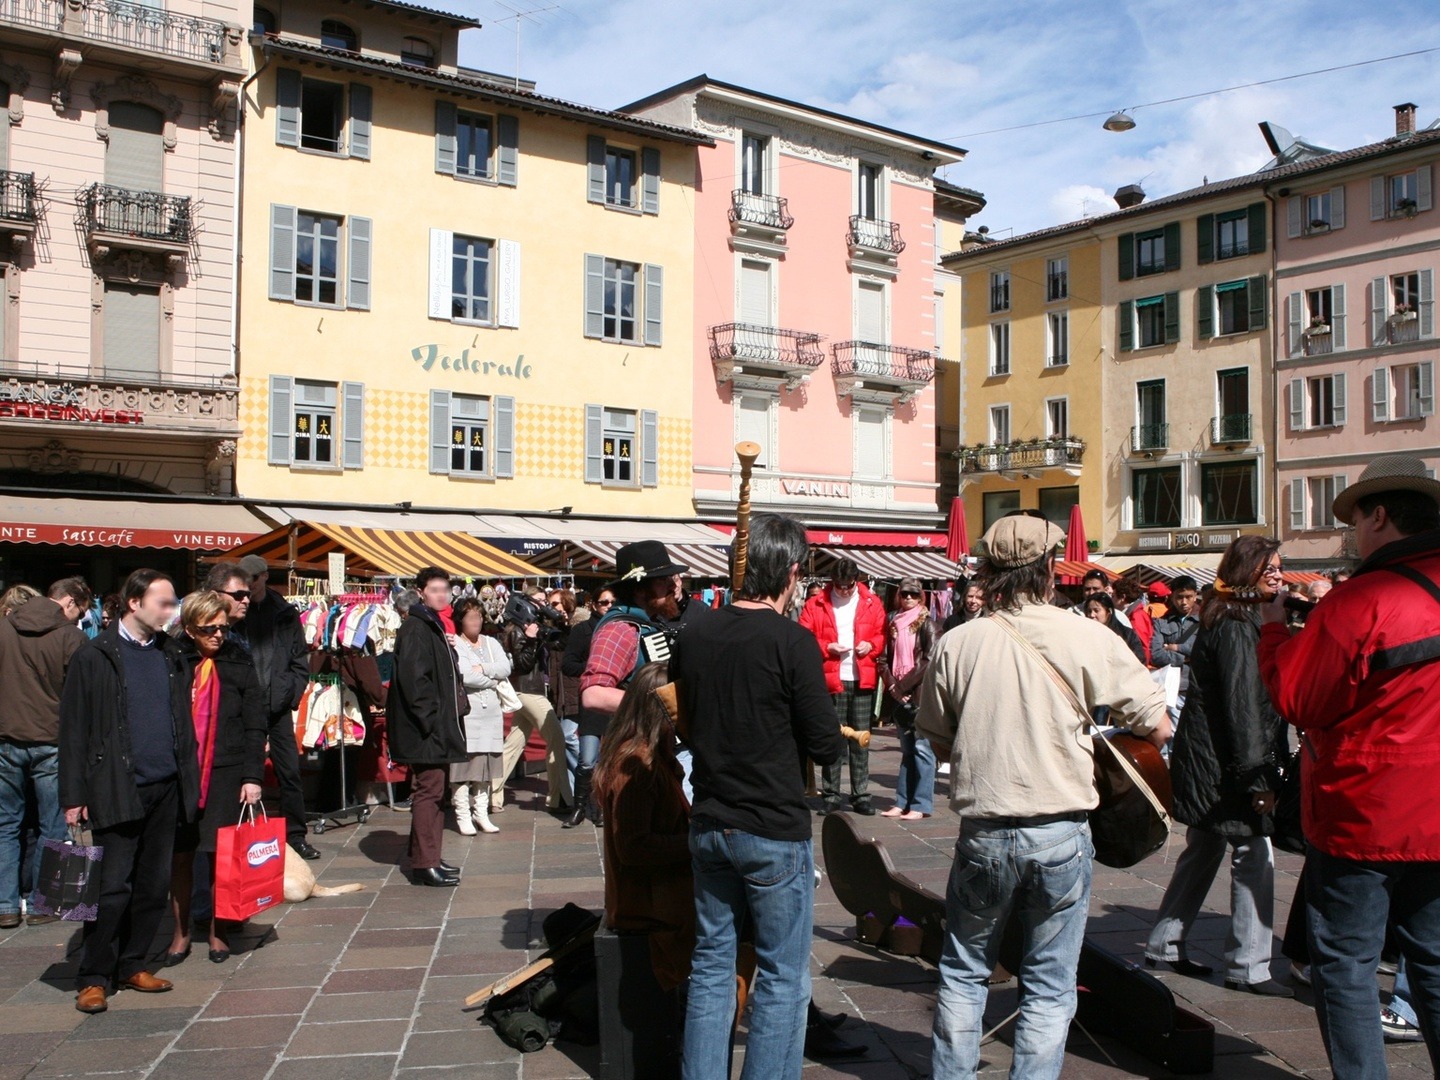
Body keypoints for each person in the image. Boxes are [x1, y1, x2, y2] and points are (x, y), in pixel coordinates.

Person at [916, 514, 1170, 1079]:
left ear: (989, 572)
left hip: (984, 831)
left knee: (963, 973)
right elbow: (1158, 726)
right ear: (1050, 569)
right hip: (1060, 830)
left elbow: (936, 738)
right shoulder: (1088, 635)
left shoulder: (958, 642)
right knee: (1050, 985)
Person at [1258, 454, 1440, 1075]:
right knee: (1434, 959)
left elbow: (1298, 700)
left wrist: (1274, 632)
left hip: (1365, 812)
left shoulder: (1361, 599)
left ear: (1379, 516)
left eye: (1357, 520)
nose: (1354, 534)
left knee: (1346, 964)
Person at [674, 513, 844, 1080]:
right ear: (791, 572)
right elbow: (826, 746)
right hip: (771, 826)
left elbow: (687, 719)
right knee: (781, 976)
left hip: (710, 819)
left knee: (711, 967)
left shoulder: (696, 633)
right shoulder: (791, 641)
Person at [1143, 537, 1292, 996]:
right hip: (1229, 763)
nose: (1278, 576)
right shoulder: (1237, 623)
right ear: (1247, 572)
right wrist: (1259, 775)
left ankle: (1164, 943)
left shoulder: (1227, 613)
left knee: (1205, 846)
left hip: (1212, 759)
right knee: (1254, 853)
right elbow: (1243, 705)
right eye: (1270, 569)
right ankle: (1248, 965)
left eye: (1280, 568)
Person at [59, 569, 199, 1013]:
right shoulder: (94, 655)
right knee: (111, 887)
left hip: (166, 786)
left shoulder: (171, 653)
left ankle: (133, 963)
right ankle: (93, 976)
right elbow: (73, 729)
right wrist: (73, 796)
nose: (171, 610)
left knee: (153, 885)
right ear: (134, 603)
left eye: (173, 602)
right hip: (115, 787)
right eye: (164, 602)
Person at [165, 590, 266, 966]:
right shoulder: (173, 660)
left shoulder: (238, 662)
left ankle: (218, 930)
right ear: (191, 628)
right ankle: (180, 932)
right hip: (180, 773)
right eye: (209, 628)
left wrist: (252, 776)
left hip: (227, 770)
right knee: (181, 855)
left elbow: (255, 724)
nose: (218, 635)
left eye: (223, 627)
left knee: (221, 856)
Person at [593, 660, 694, 997]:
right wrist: (699, 842)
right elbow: (634, 847)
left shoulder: (653, 756)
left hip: (661, 895)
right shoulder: (636, 765)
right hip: (650, 908)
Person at [0, 577, 89, 929]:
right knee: (53, 824)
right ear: (68, 602)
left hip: (7, 738)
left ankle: (5, 905)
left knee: (6, 825)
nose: (79, 618)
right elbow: (83, 697)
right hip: (53, 741)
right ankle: (46, 903)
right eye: (80, 611)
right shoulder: (71, 637)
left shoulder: (4, 628)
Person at [580, 543, 690, 822]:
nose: (673, 586)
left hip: (657, 750)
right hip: (639, 753)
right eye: (663, 580)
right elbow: (593, 694)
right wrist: (660, 704)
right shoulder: (620, 628)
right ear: (640, 588)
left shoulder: (646, 624)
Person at [233, 555, 317, 860]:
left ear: (265, 576)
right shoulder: (236, 611)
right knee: (244, 771)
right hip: (245, 705)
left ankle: (296, 835)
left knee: (289, 772)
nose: (248, 585)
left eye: (253, 579)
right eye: (243, 579)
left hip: (277, 704)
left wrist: (291, 695)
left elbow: (299, 660)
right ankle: (243, 834)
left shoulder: (284, 612)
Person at [390, 567, 467, 888]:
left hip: (435, 725)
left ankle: (428, 855)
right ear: (421, 592)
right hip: (427, 728)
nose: (441, 595)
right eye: (434, 590)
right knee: (429, 792)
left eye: (445, 589)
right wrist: (432, 719)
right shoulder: (417, 627)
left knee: (436, 793)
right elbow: (415, 680)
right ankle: (425, 863)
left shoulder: (430, 624)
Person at [799, 558, 886, 816]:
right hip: (830, 678)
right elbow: (803, 638)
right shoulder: (816, 603)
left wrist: (871, 645)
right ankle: (831, 795)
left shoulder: (872, 602)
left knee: (860, 740)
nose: (844, 590)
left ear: (857, 581)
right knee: (832, 738)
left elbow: (881, 634)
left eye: (849, 585)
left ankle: (861, 795)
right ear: (832, 582)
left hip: (861, 678)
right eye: (839, 585)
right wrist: (827, 647)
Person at [495, 589, 572, 816]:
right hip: (528, 691)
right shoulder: (517, 630)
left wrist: (562, 625)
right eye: (539, 601)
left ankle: (491, 794)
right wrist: (530, 640)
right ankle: (560, 798)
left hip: (528, 691)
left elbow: (561, 644)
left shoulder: (533, 626)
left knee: (513, 744)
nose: (543, 605)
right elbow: (523, 664)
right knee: (556, 738)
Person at [878, 576, 937, 820]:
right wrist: (893, 686)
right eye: (904, 594)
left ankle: (921, 804)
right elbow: (883, 659)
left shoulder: (928, 624)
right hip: (898, 694)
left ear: (921, 596)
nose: (909, 598)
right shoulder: (892, 621)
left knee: (923, 750)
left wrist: (903, 686)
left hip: (920, 695)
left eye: (913, 594)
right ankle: (901, 801)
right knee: (907, 750)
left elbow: (929, 660)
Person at [449, 596, 509, 836]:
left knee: (486, 767)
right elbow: (465, 675)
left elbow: (505, 668)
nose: (476, 621)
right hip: (469, 713)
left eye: (479, 616)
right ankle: (463, 815)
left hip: (491, 713)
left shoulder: (491, 642)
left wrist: (484, 669)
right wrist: (493, 681)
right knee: (464, 768)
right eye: (471, 617)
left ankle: (481, 813)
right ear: (461, 620)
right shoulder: (456, 643)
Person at [561, 586, 614, 828]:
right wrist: (594, 668)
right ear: (593, 604)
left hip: (614, 699)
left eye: (612, 602)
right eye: (604, 602)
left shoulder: (621, 627)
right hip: (592, 700)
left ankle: (602, 807)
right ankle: (579, 808)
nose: (609, 606)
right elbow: (568, 665)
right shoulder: (582, 631)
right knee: (587, 759)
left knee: (609, 760)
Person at [1151, 574, 1200, 720]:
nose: (1184, 602)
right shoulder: (1161, 622)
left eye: (1188, 597)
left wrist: (1177, 648)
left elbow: (1204, 651)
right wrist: (1185, 658)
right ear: (1172, 597)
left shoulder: (1206, 621)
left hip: (1197, 686)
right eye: (1179, 597)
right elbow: (1155, 654)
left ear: (1195, 596)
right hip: (1170, 688)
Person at [1083, 593, 1146, 664]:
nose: (1091, 615)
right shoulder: (1084, 635)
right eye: (1089, 611)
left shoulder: (1127, 634)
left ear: (1109, 612)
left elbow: (1139, 660)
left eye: (1096, 610)